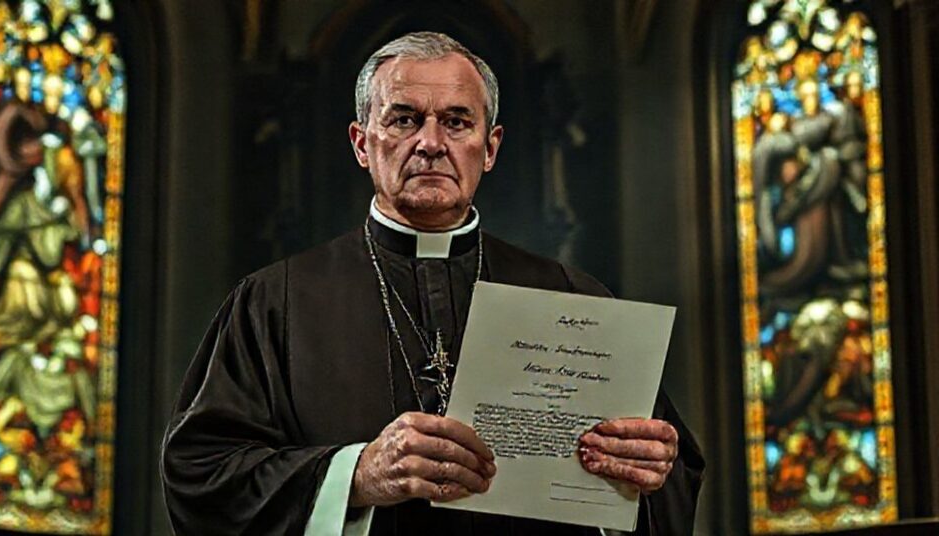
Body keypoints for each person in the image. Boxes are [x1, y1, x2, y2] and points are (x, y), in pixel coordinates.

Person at [161, 32, 704, 535]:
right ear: (360, 142)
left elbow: (671, 481)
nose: (430, 142)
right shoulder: (273, 301)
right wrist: (355, 475)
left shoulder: (573, 297)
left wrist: (649, 472)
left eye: (457, 121)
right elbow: (199, 473)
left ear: (489, 149)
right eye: (403, 119)